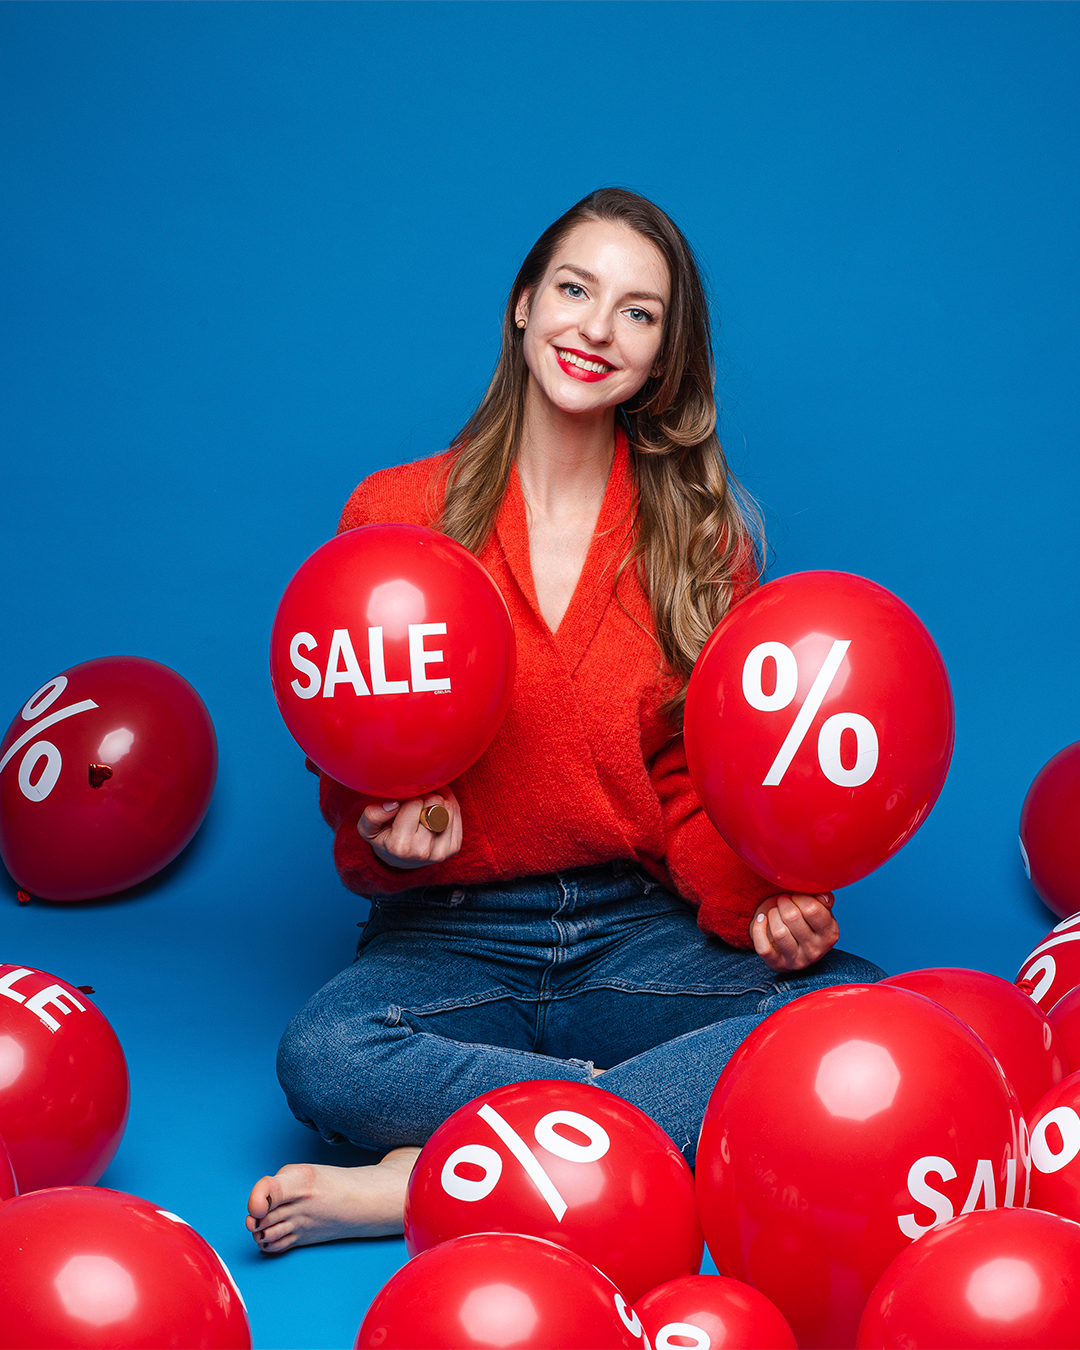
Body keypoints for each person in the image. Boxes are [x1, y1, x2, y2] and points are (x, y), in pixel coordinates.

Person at [246, 188, 883, 1254]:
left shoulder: (698, 543)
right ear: (522, 306)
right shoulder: (393, 519)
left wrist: (764, 903)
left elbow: (690, 782)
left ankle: (445, 1175)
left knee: (847, 1011)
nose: (596, 328)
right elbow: (353, 767)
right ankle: (608, 1134)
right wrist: (389, 839)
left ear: (665, 358)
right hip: (450, 938)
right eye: (576, 291)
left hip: (633, 928)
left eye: (638, 313)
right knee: (325, 1052)